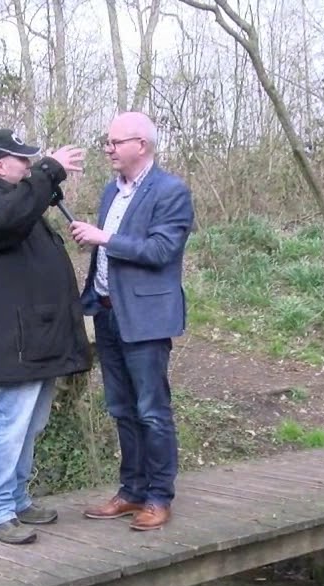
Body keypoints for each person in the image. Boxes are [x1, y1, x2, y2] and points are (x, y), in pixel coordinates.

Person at [0, 129, 90, 545]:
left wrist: (42, 186)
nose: (31, 167)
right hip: (15, 340)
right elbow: (9, 218)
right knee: (10, 423)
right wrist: (50, 171)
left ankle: (16, 499)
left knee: (31, 425)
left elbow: (22, 212)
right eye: (24, 161)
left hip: (38, 338)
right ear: (0, 166)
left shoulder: (18, 204)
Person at [70, 112, 195, 532]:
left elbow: (161, 251)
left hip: (146, 318)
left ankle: (159, 497)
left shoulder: (171, 191)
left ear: (140, 144)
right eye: (107, 142)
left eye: (114, 142)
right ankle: (131, 492)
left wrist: (103, 237)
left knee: (152, 411)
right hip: (107, 313)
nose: (107, 149)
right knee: (121, 408)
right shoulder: (112, 192)